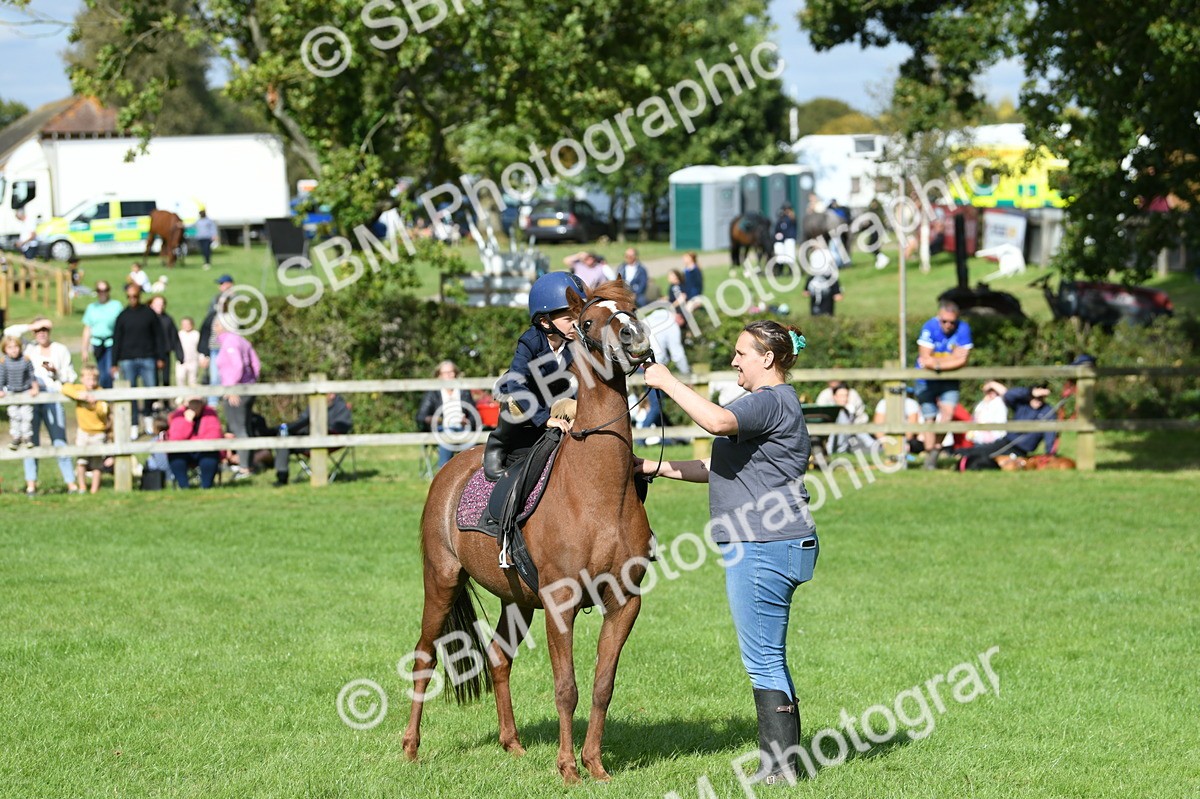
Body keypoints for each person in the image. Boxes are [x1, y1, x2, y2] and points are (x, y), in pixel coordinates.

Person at [634, 320, 818, 785]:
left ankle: (779, 770)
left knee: (763, 658)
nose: (734, 360)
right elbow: (716, 465)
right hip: (774, 542)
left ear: (767, 358)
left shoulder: (769, 400)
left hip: (763, 544)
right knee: (768, 654)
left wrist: (667, 381)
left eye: (741, 353)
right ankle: (784, 763)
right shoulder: (774, 404)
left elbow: (715, 422)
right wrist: (649, 465)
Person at [484, 271, 585, 480]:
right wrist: (545, 419)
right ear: (545, 322)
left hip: (553, 397)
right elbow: (516, 384)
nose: (576, 323)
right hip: (520, 395)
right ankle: (496, 446)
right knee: (514, 403)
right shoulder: (530, 342)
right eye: (569, 318)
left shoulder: (575, 343)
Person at [22, 317, 79, 495]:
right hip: (32, 398)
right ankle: (31, 484)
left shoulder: (60, 349)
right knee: (31, 442)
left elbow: (71, 376)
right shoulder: (28, 349)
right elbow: (8, 334)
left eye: (44, 330)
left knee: (59, 439)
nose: (41, 333)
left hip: (53, 397)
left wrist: (56, 372)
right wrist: (30, 325)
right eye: (38, 330)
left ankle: (70, 482)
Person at [915, 301, 973, 468]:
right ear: (938, 317)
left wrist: (937, 364)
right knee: (929, 417)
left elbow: (963, 360)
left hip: (949, 379)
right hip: (925, 379)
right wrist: (951, 358)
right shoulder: (929, 326)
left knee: (948, 414)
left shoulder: (963, 328)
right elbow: (925, 359)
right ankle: (930, 456)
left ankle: (934, 451)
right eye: (944, 321)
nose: (948, 325)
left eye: (952, 322)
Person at [960, 381, 1058, 470]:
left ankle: (960, 455)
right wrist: (1030, 392)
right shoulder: (1022, 404)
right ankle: (958, 454)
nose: (1038, 400)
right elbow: (1009, 394)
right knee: (983, 450)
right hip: (1006, 441)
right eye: (1036, 397)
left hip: (1020, 450)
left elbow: (1050, 435)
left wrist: (1050, 454)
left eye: (1041, 397)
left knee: (987, 454)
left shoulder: (1048, 411)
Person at [112, 284, 167, 435]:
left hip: (148, 357)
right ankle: (134, 423)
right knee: (131, 393)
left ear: (140, 296)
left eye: (135, 296)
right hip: (127, 359)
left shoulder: (149, 314)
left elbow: (158, 336)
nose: (132, 299)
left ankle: (148, 417)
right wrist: (114, 363)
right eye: (129, 296)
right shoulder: (123, 316)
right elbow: (117, 340)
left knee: (150, 389)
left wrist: (161, 357)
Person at [214, 318, 260, 479]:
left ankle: (244, 468)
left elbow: (238, 365)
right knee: (246, 427)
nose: (215, 328)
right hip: (247, 388)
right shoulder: (242, 340)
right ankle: (249, 464)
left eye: (217, 325)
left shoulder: (230, 342)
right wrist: (252, 383)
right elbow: (256, 365)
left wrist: (232, 387)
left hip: (235, 390)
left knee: (239, 428)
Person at [273, 393, 353, 485]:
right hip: (304, 439)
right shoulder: (314, 404)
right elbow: (301, 421)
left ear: (332, 395)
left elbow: (342, 429)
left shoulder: (341, 407)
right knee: (283, 436)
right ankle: (282, 476)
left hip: (328, 441)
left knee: (304, 430)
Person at [416, 360, 476, 470]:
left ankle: (471, 472)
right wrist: (437, 420)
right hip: (442, 428)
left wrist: (467, 421)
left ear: (455, 373)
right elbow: (421, 416)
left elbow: (474, 416)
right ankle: (444, 469)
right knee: (448, 433)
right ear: (439, 375)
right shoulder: (433, 393)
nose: (448, 375)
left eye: (451, 372)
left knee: (472, 442)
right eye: (445, 373)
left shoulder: (464, 391)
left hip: (463, 429)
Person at [61, 365, 110, 494]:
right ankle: (82, 487)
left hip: (98, 433)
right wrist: (78, 395)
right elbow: (65, 388)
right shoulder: (80, 389)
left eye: (94, 379)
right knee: (81, 461)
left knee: (97, 463)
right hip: (83, 432)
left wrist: (95, 404)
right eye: (88, 379)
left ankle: (94, 489)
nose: (91, 383)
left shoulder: (100, 392)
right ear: (82, 379)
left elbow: (103, 412)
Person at [167, 396, 223, 488]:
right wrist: (187, 422)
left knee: (210, 457)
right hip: (183, 450)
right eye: (191, 403)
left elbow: (214, 435)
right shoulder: (178, 415)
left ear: (202, 403)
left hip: (204, 449)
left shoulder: (210, 413)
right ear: (186, 404)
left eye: (197, 402)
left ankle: (206, 487)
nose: (194, 405)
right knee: (176, 457)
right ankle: (184, 488)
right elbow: (175, 438)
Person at [198, 274, 235, 402]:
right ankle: (213, 404)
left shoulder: (236, 303)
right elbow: (206, 330)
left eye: (222, 284)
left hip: (230, 349)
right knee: (215, 379)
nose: (221, 287)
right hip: (215, 348)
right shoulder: (214, 310)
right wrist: (204, 353)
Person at [80, 281, 123, 388]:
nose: (102, 293)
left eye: (105, 290)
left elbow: (122, 326)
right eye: (100, 290)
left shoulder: (116, 306)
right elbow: (87, 329)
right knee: (100, 372)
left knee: (109, 372)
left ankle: (108, 393)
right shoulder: (92, 307)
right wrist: (84, 349)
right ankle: (103, 393)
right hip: (97, 343)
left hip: (111, 342)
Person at [1, 334, 39, 449]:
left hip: (25, 390)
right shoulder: (4, 362)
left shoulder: (25, 360)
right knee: (14, 415)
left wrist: (35, 387)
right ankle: (16, 437)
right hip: (11, 392)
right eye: (10, 347)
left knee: (27, 415)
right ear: (5, 349)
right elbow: (1, 377)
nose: (13, 350)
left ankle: (27, 437)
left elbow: (32, 375)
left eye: (16, 346)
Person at [872, 386, 926, 456]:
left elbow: (911, 429)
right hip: (889, 437)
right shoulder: (883, 403)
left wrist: (900, 444)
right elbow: (877, 426)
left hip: (911, 438)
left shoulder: (911, 403)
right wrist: (885, 443)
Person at [149, 294, 184, 390]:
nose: (160, 307)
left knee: (166, 378)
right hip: (151, 353)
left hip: (165, 352)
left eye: (161, 304)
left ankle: (166, 398)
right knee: (153, 379)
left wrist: (179, 354)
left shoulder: (168, 319)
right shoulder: (147, 319)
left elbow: (174, 337)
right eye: (157, 304)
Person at [176, 316, 201, 388]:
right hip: (182, 361)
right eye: (184, 324)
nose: (186, 326)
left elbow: (199, 347)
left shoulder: (196, 334)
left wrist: (200, 358)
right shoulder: (179, 334)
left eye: (188, 324)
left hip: (193, 360)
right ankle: (181, 393)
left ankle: (192, 394)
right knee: (180, 378)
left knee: (192, 380)